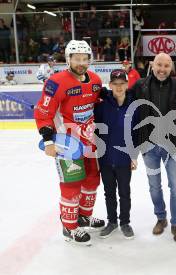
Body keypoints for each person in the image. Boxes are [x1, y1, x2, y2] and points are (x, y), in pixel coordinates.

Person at [34, 40, 106, 246]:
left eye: (85, 59)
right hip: (67, 143)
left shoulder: (95, 80)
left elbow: (98, 104)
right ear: (68, 59)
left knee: (92, 180)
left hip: (90, 140)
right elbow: (43, 112)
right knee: (71, 185)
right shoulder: (56, 82)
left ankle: (83, 216)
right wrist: (48, 140)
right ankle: (69, 226)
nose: (81, 62)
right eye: (77, 58)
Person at [129, 52, 176, 242]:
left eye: (166, 66)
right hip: (148, 145)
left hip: (172, 146)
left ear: (171, 68)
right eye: (159, 65)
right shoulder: (140, 85)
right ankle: (161, 218)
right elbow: (126, 106)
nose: (162, 70)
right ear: (152, 65)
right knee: (154, 187)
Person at [94, 69, 138, 240]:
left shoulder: (133, 107)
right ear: (110, 85)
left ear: (127, 85)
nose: (119, 87)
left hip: (124, 158)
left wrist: (134, 156)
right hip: (105, 158)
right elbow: (95, 131)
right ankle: (111, 221)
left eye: (122, 84)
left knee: (125, 192)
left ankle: (125, 222)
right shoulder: (102, 106)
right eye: (115, 84)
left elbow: (136, 133)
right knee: (109, 192)